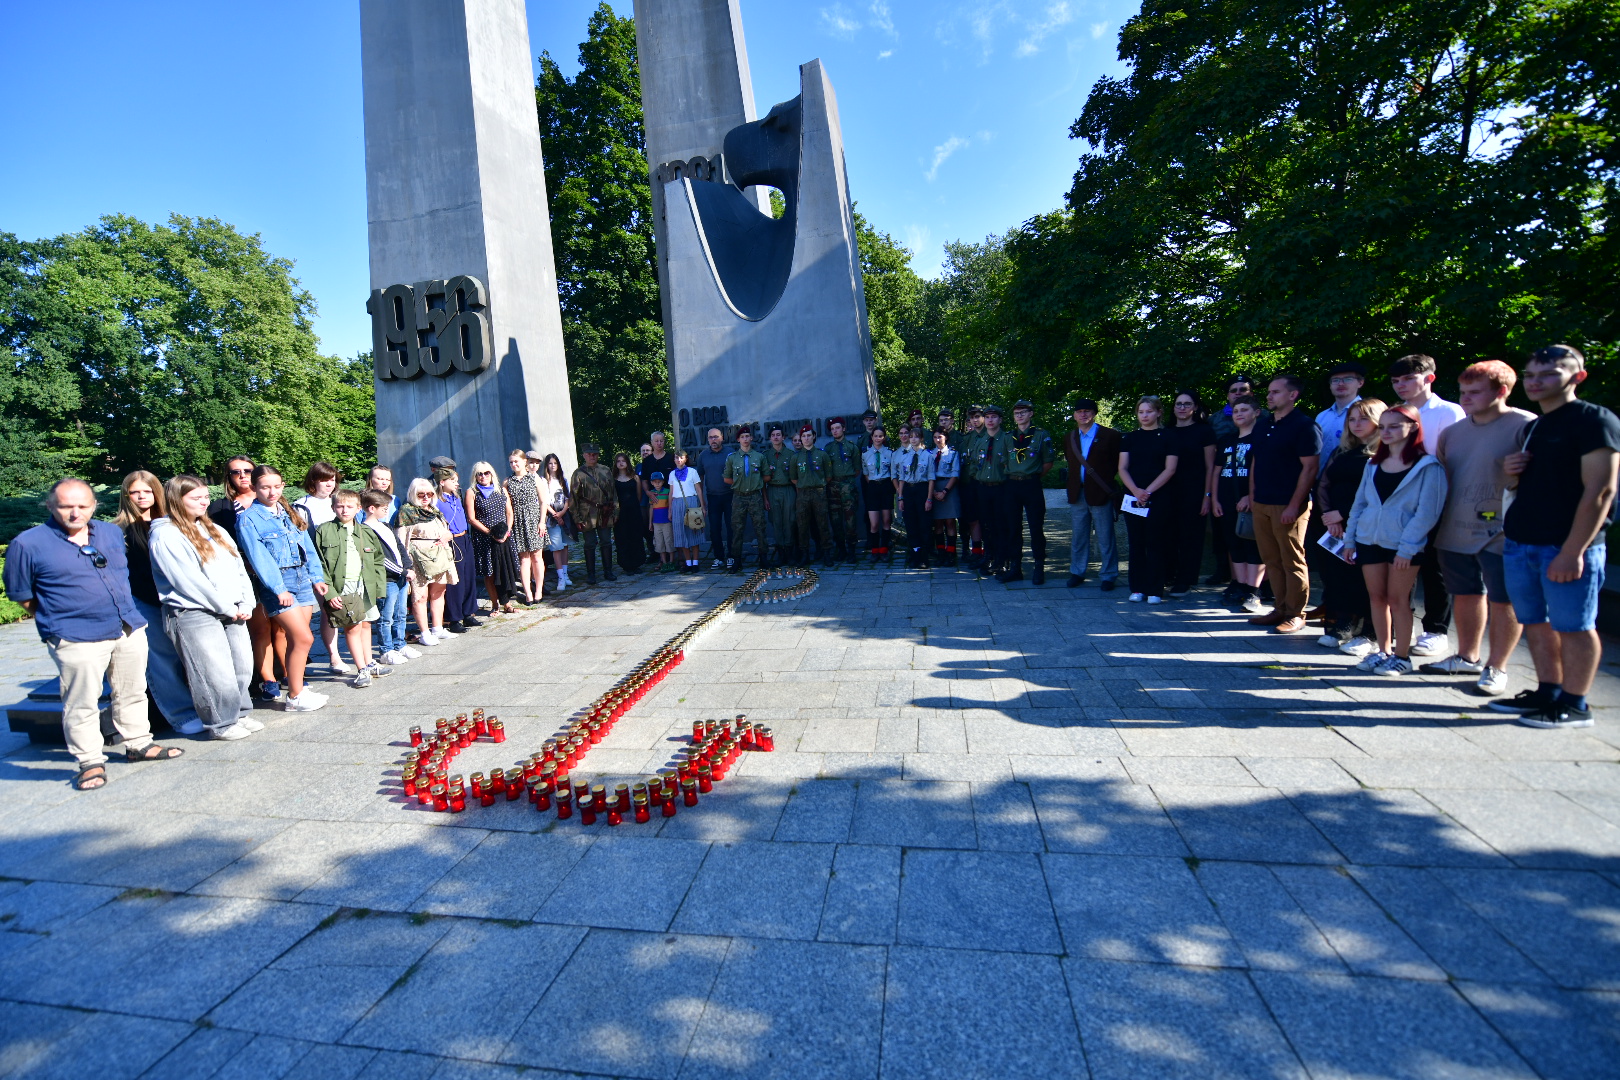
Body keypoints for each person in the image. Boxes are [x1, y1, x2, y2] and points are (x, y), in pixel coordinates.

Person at [4, 479, 185, 789]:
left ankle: (138, 743)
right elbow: (22, 594)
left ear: (94, 505)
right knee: (81, 701)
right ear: (50, 506)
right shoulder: (28, 544)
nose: (76, 513)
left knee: (131, 689)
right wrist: (58, 621)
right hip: (74, 634)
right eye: (66, 506)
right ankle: (90, 761)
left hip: (125, 627)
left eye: (83, 506)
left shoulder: (110, 532)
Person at [1492, 345, 1620, 728]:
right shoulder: (1534, 427)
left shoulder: (1594, 421)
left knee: (1575, 625)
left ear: (1577, 377)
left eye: (1548, 374)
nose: (1536, 382)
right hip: (1521, 541)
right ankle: (1548, 690)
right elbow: (1518, 485)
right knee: (1534, 620)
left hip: (1564, 546)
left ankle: (1576, 703)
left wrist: (1573, 550)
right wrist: (1509, 472)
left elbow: (1600, 492)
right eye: (1530, 375)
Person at [1423, 362, 1534, 694]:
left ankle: (1496, 667)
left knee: (1504, 599)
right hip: (1455, 527)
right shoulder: (1453, 432)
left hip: (1502, 530)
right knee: (1466, 594)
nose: (1466, 399)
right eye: (1463, 392)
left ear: (1501, 391)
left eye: (1475, 392)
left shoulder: (1525, 426)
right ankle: (1466, 656)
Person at [149, 475, 261, 740]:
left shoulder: (215, 530)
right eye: (195, 498)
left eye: (205, 497)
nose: (203, 502)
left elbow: (238, 566)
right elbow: (188, 581)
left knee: (241, 666)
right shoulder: (166, 535)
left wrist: (246, 601)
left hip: (233, 608)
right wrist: (225, 605)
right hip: (194, 612)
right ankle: (221, 723)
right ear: (177, 500)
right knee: (214, 672)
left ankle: (239, 713)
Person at [1343, 404, 1448, 676]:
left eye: (1394, 426)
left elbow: (1427, 514)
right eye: (1383, 427)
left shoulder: (1428, 466)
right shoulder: (1373, 463)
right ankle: (1383, 651)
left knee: (1397, 599)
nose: (1386, 432)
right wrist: (1350, 540)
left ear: (1412, 427)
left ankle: (1402, 656)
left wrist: (1408, 549)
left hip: (1404, 546)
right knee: (1376, 598)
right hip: (1369, 540)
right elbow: (1360, 504)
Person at [115, 471, 204, 735]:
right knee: (161, 660)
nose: (143, 496)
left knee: (188, 655)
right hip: (143, 601)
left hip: (178, 598)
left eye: (148, 491)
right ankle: (181, 714)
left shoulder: (170, 523)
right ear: (127, 495)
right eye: (135, 492)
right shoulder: (119, 529)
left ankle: (202, 706)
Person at [1390, 353, 1467, 656]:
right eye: (1396, 381)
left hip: (1438, 499)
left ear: (1429, 378)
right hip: (1400, 501)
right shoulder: (1396, 413)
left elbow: (1456, 460)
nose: (1401, 385)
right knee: (1401, 564)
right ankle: (1399, 624)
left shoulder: (1449, 412)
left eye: (1408, 378)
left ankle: (1436, 630)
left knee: (1435, 569)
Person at [235, 465, 329, 711]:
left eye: (277, 486)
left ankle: (297, 690)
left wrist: (316, 577)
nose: (272, 492)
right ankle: (295, 697)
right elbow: (259, 558)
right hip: (279, 583)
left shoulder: (288, 511)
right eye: (265, 487)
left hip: (302, 579)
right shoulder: (249, 519)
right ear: (254, 488)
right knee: (304, 637)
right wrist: (278, 589)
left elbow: (307, 546)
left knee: (296, 639)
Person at [1248, 375, 1323, 632]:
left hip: (1289, 505)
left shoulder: (1304, 426)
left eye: (1275, 392)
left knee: (1292, 560)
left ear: (1292, 395)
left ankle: (1296, 613)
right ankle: (1279, 609)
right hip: (1262, 503)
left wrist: (1294, 505)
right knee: (1271, 559)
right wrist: (1252, 496)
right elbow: (1255, 462)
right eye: (1268, 392)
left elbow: (1310, 468)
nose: (1269, 396)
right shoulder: (1263, 425)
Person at [1314, 398, 1384, 646]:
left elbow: (1376, 490)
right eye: (1352, 419)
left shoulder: (1384, 453)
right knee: (1336, 576)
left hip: (1367, 525)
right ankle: (1342, 624)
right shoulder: (1341, 450)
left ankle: (1369, 631)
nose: (1356, 424)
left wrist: (1342, 513)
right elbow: (1323, 483)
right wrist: (1329, 515)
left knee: (1364, 579)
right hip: (1334, 526)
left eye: (1363, 418)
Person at [208, 456, 278, 696]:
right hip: (246, 574)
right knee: (259, 628)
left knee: (280, 626)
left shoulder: (273, 501)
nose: (242, 475)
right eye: (235, 472)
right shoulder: (219, 508)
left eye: (247, 470)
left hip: (277, 572)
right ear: (228, 477)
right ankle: (267, 679)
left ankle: (287, 672)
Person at [313, 489, 388, 687]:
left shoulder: (366, 532)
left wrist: (379, 588)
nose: (344, 510)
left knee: (366, 624)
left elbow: (378, 560)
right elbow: (319, 564)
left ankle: (369, 662)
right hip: (343, 587)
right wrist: (329, 592)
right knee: (352, 627)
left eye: (349, 506)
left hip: (365, 586)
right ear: (333, 508)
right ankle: (361, 669)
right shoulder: (324, 530)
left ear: (358, 508)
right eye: (340, 506)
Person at [1118, 397, 1179, 603]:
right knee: (1136, 543)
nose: (1145, 416)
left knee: (1156, 542)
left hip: (1159, 496)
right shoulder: (1129, 438)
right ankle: (1137, 587)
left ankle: (1155, 589)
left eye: (1149, 411)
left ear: (1159, 412)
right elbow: (1122, 468)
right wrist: (1136, 491)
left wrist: (1148, 492)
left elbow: (1170, 469)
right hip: (1133, 497)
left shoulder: (1169, 437)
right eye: (1141, 412)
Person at [1214, 394, 1271, 612]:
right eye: (1236, 411)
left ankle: (1253, 591)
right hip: (1226, 500)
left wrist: (1250, 495)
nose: (1239, 414)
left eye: (1244, 410)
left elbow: (1265, 471)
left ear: (1257, 412)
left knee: (1253, 545)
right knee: (1234, 544)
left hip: (1253, 500)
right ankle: (1239, 584)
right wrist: (1214, 498)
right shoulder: (1227, 440)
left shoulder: (1261, 439)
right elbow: (1217, 471)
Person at [292, 462, 350, 675]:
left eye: (332, 479)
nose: (329, 484)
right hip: (319, 566)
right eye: (324, 480)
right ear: (313, 481)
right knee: (328, 610)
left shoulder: (340, 502)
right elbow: (301, 540)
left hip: (344, 564)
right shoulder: (302, 506)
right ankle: (333, 656)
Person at [1063, 399, 1121, 590]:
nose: (1083, 415)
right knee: (1079, 536)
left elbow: (1116, 464)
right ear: (1074, 415)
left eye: (1087, 411)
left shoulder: (1110, 436)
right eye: (1079, 411)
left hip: (1100, 492)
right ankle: (1077, 571)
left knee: (1105, 536)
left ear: (1095, 413)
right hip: (1077, 493)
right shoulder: (1070, 437)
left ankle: (1108, 574)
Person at [1164, 390, 1217, 596]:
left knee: (1190, 537)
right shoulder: (1167, 431)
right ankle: (1170, 573)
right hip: (1169, 492)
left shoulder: (1204, 431)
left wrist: (1207, 496)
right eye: (1179, 404)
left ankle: (1186, 579)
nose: (1182, 408)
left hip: (1194, 491)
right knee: (1169, 536)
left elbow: (1210, 467)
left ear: (1195, 407)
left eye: (1187, 404)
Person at [999, 400, 1057, 585]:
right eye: (1016, 413)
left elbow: (1048, 462)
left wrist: (1031, 475)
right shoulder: (1009, 436)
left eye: (1023, 412)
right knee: (1013, 527)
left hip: (1031, 485)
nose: (1020, 416)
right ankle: (1016, 567)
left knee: (1036, 527)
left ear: (1031, 414)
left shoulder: (1040, 435)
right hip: (1012, 485)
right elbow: (1005, 461)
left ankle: (1039, 567)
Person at [397, 477, 458, 644]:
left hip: (439, 556)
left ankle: (437, 628)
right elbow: (401, 541)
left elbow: (446, 530)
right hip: (418, 560)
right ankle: (424, 633)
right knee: (421, 596)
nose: (426, 497)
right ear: (413, 494)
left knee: (439, 592)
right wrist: (406, 565)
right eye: (421, 494)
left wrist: (448, 535)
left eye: (429, 494)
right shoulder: (406, 512)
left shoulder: (434, 510)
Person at [360, 489, 416, 666]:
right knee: (386, 617)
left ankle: (400, 644)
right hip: (387, 579)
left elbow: (399, 547)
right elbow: (380, 558)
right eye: (383, 507)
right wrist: (402, 571)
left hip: (401, 577)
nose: (386, 510)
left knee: (400, 614)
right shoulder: (365, 530)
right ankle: (386, 649)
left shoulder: (385, 526)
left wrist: (408, 566)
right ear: (371, 508)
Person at [465, 461, 519, 611]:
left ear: (492, 473)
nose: (483, 476)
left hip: (504, 536)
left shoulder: (501, 489)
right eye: (479, 473)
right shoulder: (472, 492)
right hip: (485, 537)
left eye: (486, 473)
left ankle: (507, 603)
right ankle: (495, 605)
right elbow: (471, 518)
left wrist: (506, 532)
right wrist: (490, 533)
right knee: (490, 572)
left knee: (504, 569)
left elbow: (509, 512)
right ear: (475, 476)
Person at [435, 466, 480, 628]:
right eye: (452, 481)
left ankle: (468, 612)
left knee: (468, 576)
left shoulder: (456, 497)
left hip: (464, 538)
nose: (456, 483)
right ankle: (454, 617)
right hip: (451, 540)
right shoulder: (437, 500)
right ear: (442, 482)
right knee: (455, 580)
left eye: (456, 480)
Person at [572, 443, 620, 584]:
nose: (592, 456)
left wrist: (616, 510)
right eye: (589, 454)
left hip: (605, 513)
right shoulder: (578, 473)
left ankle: (608, 571)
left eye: (595, 454)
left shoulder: (605, 470)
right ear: (584, 455)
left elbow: (613, 493)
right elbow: (573, 498)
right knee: (589, 543)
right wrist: (577, 518)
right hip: (587, 514)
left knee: (606, 541)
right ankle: (591, 574)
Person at [725, 430, 769, 571]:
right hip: (738, 496)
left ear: (751, 438)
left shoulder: (759, 457)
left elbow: (767, 476)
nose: (745, 439)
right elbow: (726, 478)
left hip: (755, 496)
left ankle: (764, 559)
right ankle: (737, 560)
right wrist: (740, 484)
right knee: (737, 529)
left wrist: (755, 482)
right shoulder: (732, 458)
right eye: (742, 437)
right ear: (738, 439)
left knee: (760, 527)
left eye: (747, 436)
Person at [893, 427, 937, 568]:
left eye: (916, 437)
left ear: (921, 438)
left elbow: (931, 478)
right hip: (908, 491)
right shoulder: (904, 456)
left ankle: (924, 558)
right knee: (911, 526)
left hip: (922, 490)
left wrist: (929, 498)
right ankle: (914, 555)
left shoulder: (928, 455)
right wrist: (900, 498)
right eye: (911, 436)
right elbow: (901, 478)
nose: (912, 439)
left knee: (924, 526)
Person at [505, 449, 545, 603]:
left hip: (534, 520)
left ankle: (539, 590)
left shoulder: (534, 479)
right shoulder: (508, 482)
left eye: (516, 461)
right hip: (519, 523)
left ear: (524, 462)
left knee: (537, 557)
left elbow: (543, 502)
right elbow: (508, 507)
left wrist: (542, 522)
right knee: (524, 559)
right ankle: (527, 592)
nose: (514, 464)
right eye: (511, 462)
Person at [791, 427, 835, 566]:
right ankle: (805, 554)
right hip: (803, 493)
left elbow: (828, 476)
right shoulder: (796, 457)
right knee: (802, 525)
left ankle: (826, 552)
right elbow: (793, 478)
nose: (806, 438)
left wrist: (817, 484)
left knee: (822, 523)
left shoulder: (822, 455)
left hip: (819, 492)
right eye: (803, 436)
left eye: (809, 435)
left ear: (814, 437)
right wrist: (805, 484)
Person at [825, 418, 863, 563]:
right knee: (835, 520)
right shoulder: (828, 449)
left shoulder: (852, 447)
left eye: (837, 428)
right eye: (833, 429)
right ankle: (841, 550)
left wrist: (847, 482)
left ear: (844, 429)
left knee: (850, 520)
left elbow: (857, 469)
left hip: (848, 486)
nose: (835, 431)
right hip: (833, 487)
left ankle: (852, 551)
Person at [761, 426, 799, 566]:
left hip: (788, 490)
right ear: (770, 438)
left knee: (789, 521)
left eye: (778, 435)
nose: (776, 437)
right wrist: (765, 498)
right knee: (776, 522)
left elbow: (796, 478)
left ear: (783, 437)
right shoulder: (765, 455)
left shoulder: (791, 455)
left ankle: (790, 553)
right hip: (772, 491)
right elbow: (763, 480)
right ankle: (781, 553)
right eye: (773, 435)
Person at [696, 428, 733, 570]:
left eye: (716, 437)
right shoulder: (703, 455)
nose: (713, 440)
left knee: (731, 527)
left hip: (730, 496)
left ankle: (731, 556)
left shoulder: (730, 453)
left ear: (722, 438)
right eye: (711, 437)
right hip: (712, 497)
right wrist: (702, 500)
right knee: (714, 529)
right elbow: (700, 478)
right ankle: (718, 557)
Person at [667, 448, 706, 572]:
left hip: (691, 502)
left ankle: (695, 562)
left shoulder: (692, 472)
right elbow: (671, 493)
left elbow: (699, 489)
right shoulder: (672, 474)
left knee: (693, 532)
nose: (678, 460)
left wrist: (702, 505)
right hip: (677, 503)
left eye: (681, 457)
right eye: (676, 458)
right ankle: (687, 563)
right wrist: (670, 509)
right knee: (681, 534)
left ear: (685, 459)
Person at [861, 426, 896, 562]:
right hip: (873, 487)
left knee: (887, 520)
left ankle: (884, 550)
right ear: (872, 437)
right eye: (875, 436)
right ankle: (874, 551)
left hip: (886, 486)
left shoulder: (890, 453)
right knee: (874, 523)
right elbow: (865, 473)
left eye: (881, 436)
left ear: (884, 437)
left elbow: (893, 472)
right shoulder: (865, 454)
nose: (878, 438)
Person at [959, 406, 988, 565]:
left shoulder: (991, 435)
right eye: (972, 418)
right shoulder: (967, 439)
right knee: (972, 519)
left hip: (986, 483)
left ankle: (990, 552)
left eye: (977, 417)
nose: (974, 420)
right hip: (969, 484)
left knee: (988, 519)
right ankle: (977, 551)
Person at [640, 431, 674, 561]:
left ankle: (675, 558)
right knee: (656, 531)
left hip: (669, 498)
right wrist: (648, 492)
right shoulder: (647, 461)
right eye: (656, 441)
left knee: (670, 530)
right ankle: (660, 558)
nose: (659, 443)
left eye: (662, 441)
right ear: (652, 442)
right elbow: (644, 480)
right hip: (654, 500)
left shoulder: (671, 458)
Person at [1317, 362, 1367, 451]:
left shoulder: (1368, 413)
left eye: (1347, 379)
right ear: (1330, 385)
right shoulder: (1322, 417)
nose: (1340, 384)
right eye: (1335, 380)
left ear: (1360, 383)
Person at [931, 427, 962, 565]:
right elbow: (926, 474)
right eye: (935, 437)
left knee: (950, 522)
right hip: (933, 487)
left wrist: (944, 491)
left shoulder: (953, 453)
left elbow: (955, 474)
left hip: (949, 488)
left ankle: (951, 553)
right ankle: (941, 553)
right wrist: (933, 492)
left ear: (946, 438)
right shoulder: (929, 454)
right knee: (937, 523)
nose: (938, 440)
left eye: (940, 437)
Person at [611, 453, 646, 575]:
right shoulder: (613, 479)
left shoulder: (635, 477)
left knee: (635, 536)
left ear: (627, 462)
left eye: (623, 461)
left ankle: (637, 563)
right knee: (622, 538)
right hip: (620, 513)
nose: (621, 463)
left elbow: (639, 495)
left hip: (634, 511)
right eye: (618, 461)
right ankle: (626, 565)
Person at [648, 471, 674, 569]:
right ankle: (664, 562)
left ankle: (671, 561)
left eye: (659, 481)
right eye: (655, 482)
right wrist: (650, 522)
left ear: (663, 482)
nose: (657, 483)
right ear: (652, 483)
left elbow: (671, 505)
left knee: (669, 540)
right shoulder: (652, 494)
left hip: (667, 521)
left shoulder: (667, 492)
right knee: (659, 542)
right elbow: (651, 508)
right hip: (656, 522)